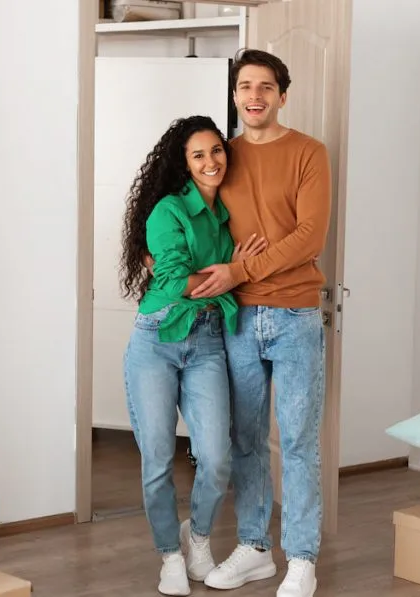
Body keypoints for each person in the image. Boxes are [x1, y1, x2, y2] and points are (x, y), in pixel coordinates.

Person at [189, 49, 333, 597]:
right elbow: (192, 216)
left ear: (282, 95)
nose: (254, 96)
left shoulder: (308, 153)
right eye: (245, 86)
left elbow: (309, 237)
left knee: (296, 442)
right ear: (234, 95)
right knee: (245, 439)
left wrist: (240, 267)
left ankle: (301, 557)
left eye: (265, 87)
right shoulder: (222, 158)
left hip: (294, 313)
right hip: (238, 316)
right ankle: (254, 548)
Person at [119, 114, 267, 596]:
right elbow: (172, 280)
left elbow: (198, 277)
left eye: (217, 151)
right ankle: (169, 556)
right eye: (198, 155)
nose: (210, 162)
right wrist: (233, 270)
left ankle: (197, 538)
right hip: (157, 339)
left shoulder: (230, 214)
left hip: (206, 342)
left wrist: (226, 269)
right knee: (158, 458)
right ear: (184, 164)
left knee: (216, 455)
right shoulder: (167, 211)